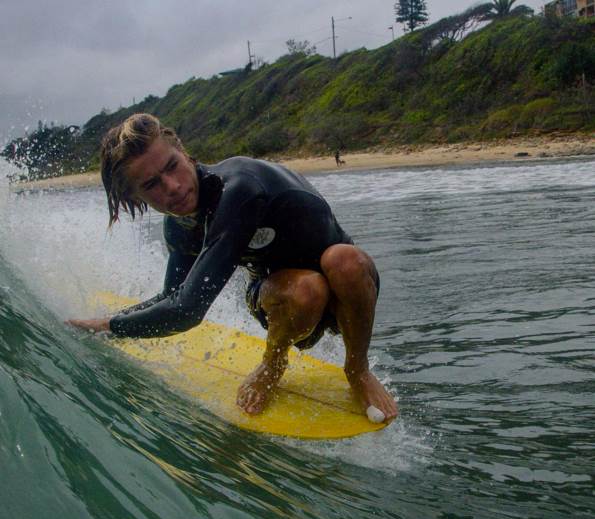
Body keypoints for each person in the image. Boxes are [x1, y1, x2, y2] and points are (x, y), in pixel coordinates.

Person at [68, 113, 397, 423]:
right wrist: (112, 321)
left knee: (345, 260)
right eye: (152, 184)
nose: (173, 186)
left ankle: (357, 369)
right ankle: (273, 364)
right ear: (135, 197)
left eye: (172, 166)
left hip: (348, 301)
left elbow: (187, 311)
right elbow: (174, 297)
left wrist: (114, 326)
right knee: (307, 288)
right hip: (285, 303)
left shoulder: (238, 188)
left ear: (184, 152)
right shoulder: (180, 226)